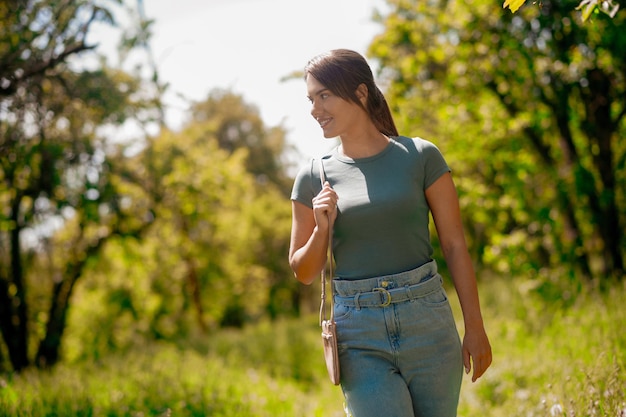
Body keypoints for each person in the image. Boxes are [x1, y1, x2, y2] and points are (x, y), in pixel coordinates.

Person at [288, 49, 492, 417]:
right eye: (311, 99)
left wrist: (475, 327)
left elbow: (454, 245)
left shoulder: (420, 156)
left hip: (428, 320)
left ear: (361, 93)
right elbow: (303, 272)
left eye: (324, 96)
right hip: (358, 334)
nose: (315, 109)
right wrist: (322, 229)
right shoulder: (312, 176)